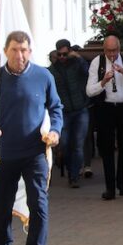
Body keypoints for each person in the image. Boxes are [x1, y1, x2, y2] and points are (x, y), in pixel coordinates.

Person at [0, 31, 63, 245]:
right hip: (4, 152)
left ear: (30, 51)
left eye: (23, 50)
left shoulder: (43, 76)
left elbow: (55, 107)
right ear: (6, 51)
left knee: (38, 204)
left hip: (34, 151)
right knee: (1, 204)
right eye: (14, 50)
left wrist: (55, 131)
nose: (19, 55)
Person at [86, 35, 123, 200]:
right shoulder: (97, 62)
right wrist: (103, 82)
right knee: (106, 148)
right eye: (109, 51)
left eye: (115, 50)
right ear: (104, 50)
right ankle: (110, 187)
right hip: (105, 108)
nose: (112, 54)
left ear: (119, 48)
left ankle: (121, 182)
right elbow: (89, 91)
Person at [49, 39, 90, 186]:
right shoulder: (52, 70)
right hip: (63, 112)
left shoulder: (78, 65)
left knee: (78, 145)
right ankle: (66, 164)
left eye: (65, 54)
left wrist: (78, 57)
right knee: (65, 143)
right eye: (59, 54)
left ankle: (74, 176)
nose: (62, 57)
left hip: (80, 110)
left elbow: (89, 73)